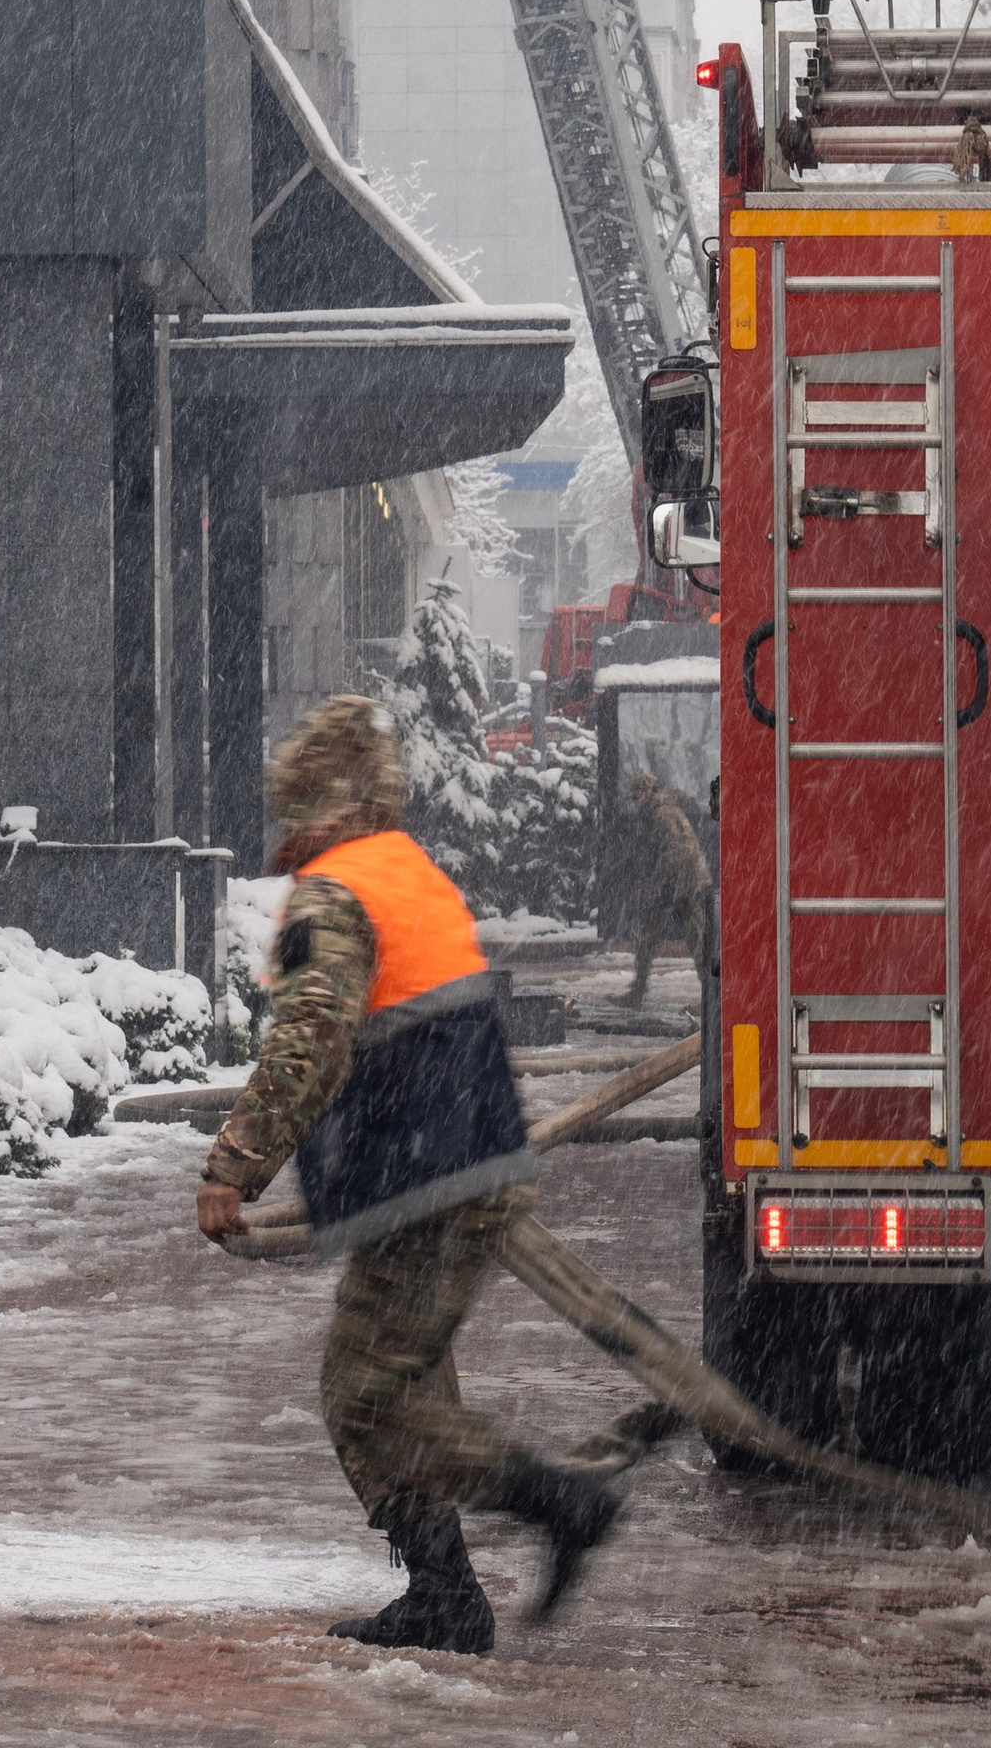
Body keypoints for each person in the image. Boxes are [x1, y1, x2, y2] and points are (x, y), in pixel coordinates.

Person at [196, 695, 622, 1654]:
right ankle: (447, 1594)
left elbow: (313, 1039)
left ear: (315, 802)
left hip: (418, 1185)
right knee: (410, 1391)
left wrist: (234, 1166)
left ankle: (556, 1507)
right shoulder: (404, 869)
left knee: (369, 1403)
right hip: (456, 1168)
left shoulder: (336, 893)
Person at [623, 768, 712, 1009]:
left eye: (635, 797)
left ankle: (714, 997)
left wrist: (655, 885)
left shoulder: (662, 814)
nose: (635, 804)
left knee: (696, 937)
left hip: (684, 881)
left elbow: (673, 853)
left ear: (647, 792)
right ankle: (638, 991)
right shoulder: (663, 810)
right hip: (681, 880)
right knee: (657, 933)